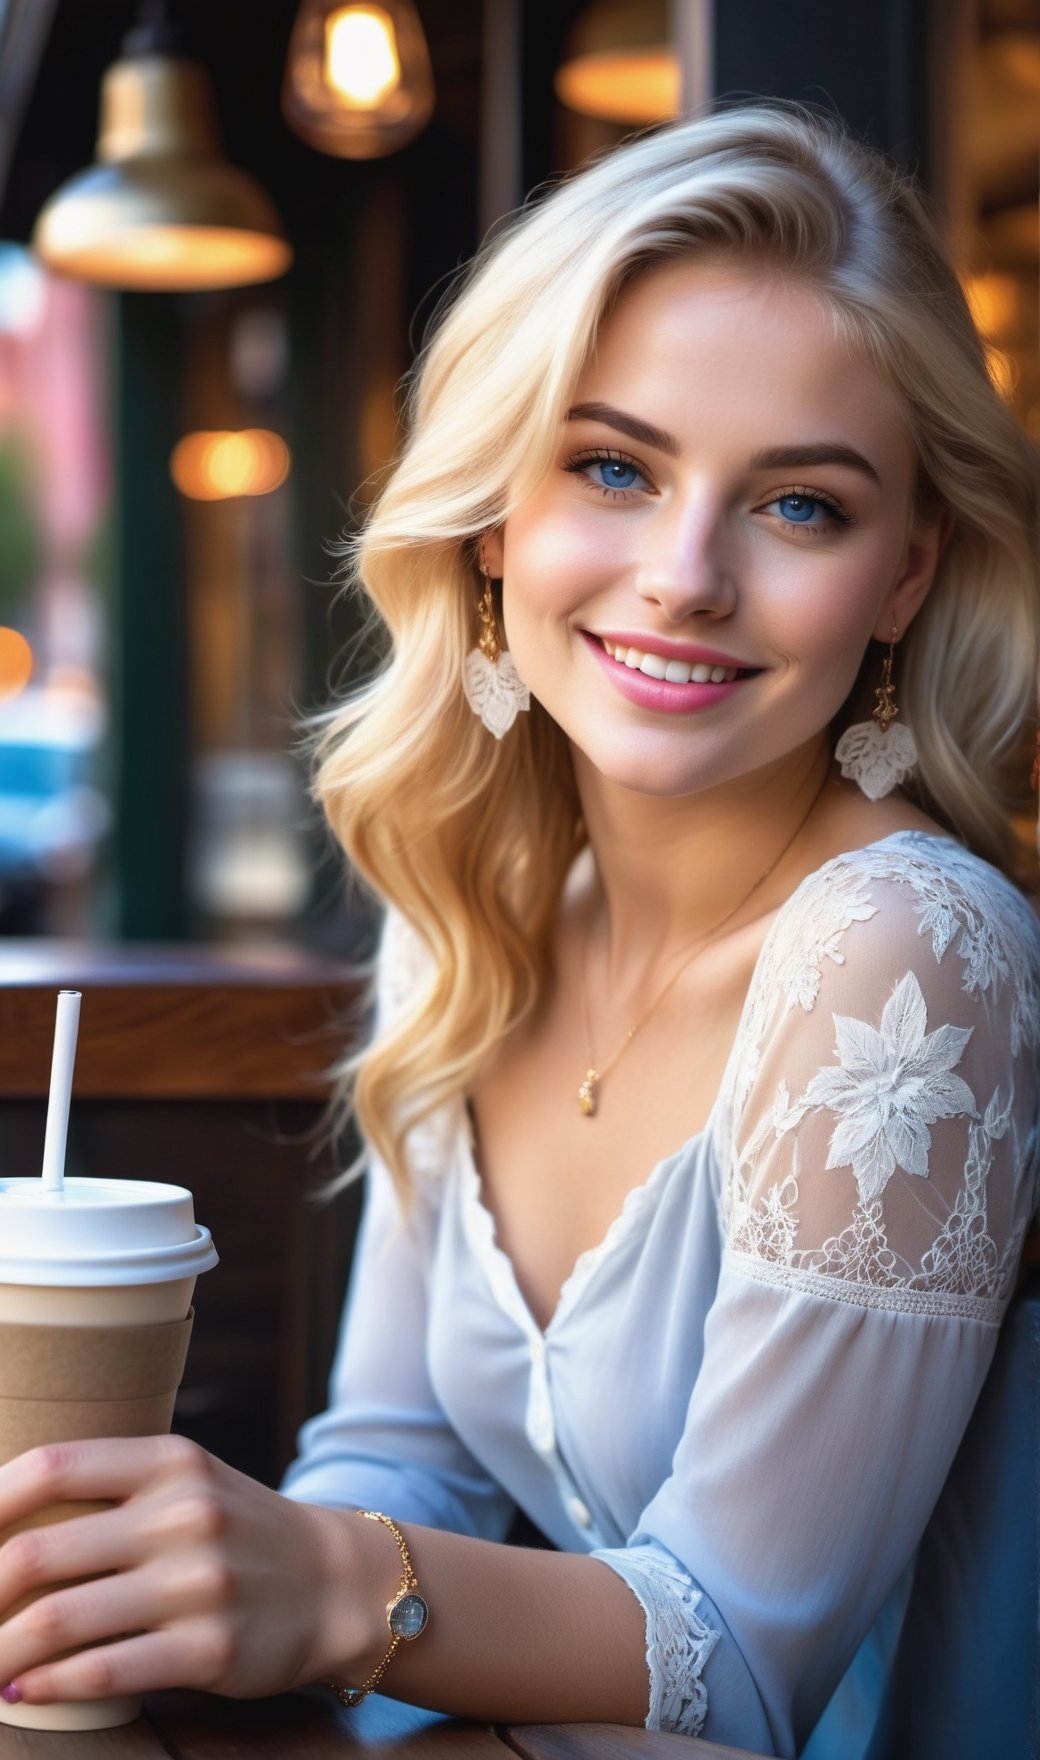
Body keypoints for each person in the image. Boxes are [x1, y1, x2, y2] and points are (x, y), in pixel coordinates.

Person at [1, 102, 1039, 1760]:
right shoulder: (476, 909)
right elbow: (399, 1452)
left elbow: (743, 1658)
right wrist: (185, 1589)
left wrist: (334, 1586)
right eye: (612, 467)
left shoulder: (907, 950)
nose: (686, 575)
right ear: (495, 523)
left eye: (800, 508)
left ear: (905, 577)